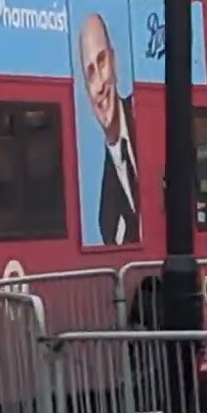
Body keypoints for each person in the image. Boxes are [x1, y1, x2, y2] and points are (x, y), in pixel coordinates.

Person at [78, 14, 141, 246]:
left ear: (114, 62)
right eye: (91, 74)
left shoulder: (145, 117)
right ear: (86, 92)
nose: (100, 86)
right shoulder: (107, 219)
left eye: (102, 62)